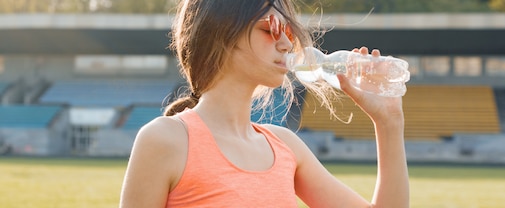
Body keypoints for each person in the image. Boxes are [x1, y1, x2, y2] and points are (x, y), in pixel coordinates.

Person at [119, 0, 409, 207]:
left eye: (290, 32)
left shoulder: (285, 146)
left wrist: (389, 123)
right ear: (219, 32)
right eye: (271, 28)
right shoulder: (164, 140)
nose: (285, 44)